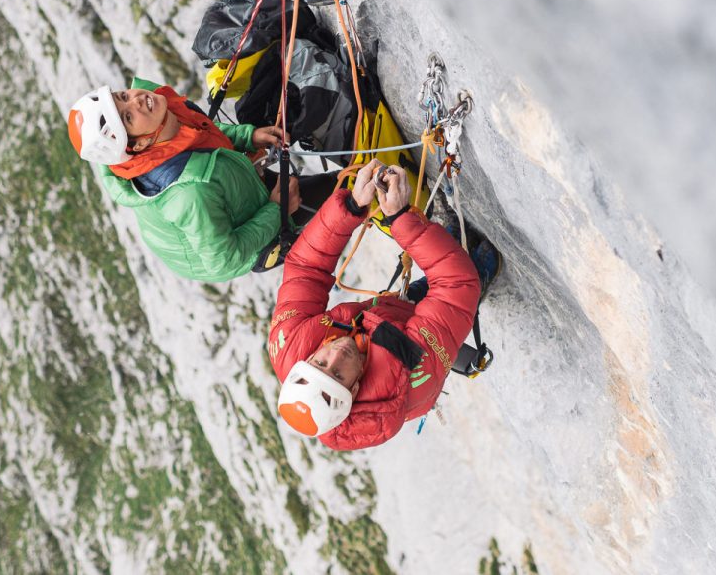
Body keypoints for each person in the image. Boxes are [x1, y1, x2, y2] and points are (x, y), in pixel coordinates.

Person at [267, 160, 499, 450]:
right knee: (467, 280)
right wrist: (401, 218)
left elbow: (305, 268)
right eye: (338, 374)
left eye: (321, 362)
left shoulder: (290, 342)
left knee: (421, 293)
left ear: (305, 362)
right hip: (406, 347)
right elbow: (456, 285)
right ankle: (483, 270)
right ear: (354, 389)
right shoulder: (412, 371)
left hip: (384, 320)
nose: (336, 354)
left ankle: (443, 248)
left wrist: (350, 206)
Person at [67, 77, 331, 281]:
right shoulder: (188, 194)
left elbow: (199, 133)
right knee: (341, 193)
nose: (134, 100)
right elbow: (224, 259)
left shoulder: (163, 115)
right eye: (127, 117)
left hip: (223, 191)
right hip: (241, 246)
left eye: (122, 96)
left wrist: (246, 136)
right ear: (137, 146)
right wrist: (276, 210)